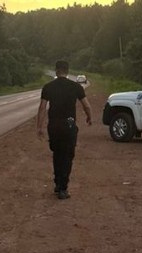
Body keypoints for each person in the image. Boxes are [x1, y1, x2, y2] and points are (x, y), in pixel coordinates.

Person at [36, 60, 93, 200]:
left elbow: (42, 108)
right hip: (69, 123)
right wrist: (89, 117)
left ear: (56, 71)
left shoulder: (48, 87)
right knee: (67, 155)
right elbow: (86, 105)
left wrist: (39, 127)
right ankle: (63, 188)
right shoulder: (76, 87)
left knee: (57, 153)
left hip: (54, 124)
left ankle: (57, 183)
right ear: (67, 71)